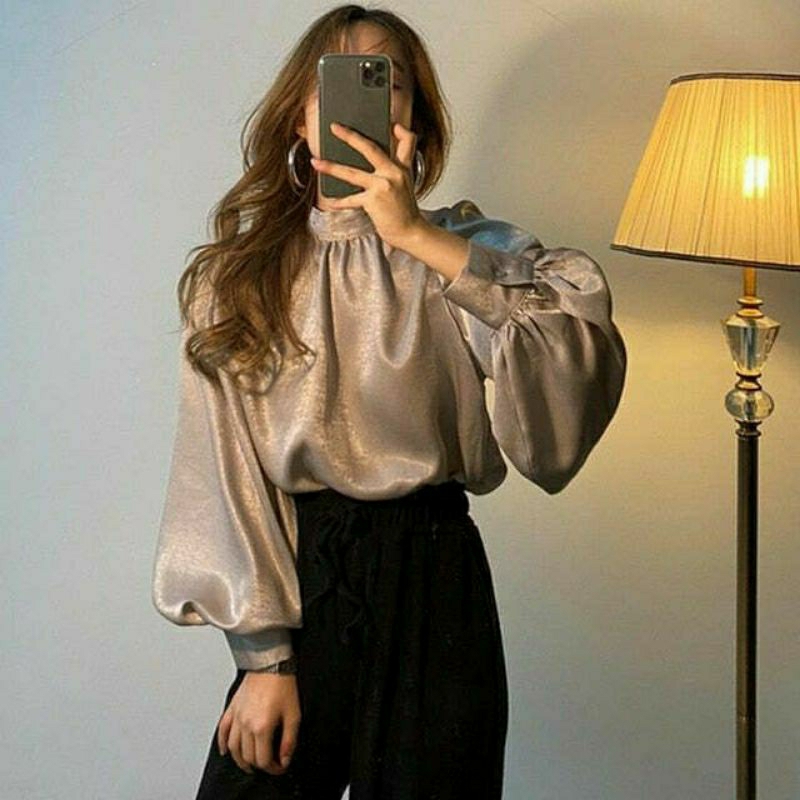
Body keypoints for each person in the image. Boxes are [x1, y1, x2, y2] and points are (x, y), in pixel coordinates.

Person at [150, 5, 627, 799]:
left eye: (387, 81)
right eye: (333, 80)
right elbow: (221, 472)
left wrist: (413, 235)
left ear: (417, 117)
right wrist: (264, 661)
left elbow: (570, 373)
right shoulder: (236, 279)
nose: (363, 100)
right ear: (299, 116)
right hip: (304, 582)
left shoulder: (471, 251)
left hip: (437, 577)